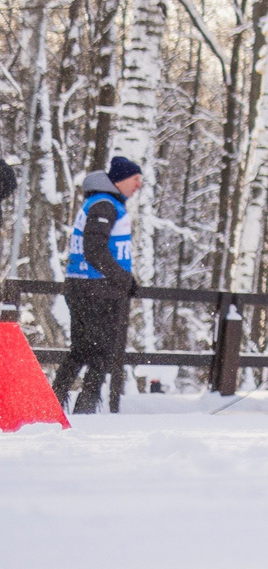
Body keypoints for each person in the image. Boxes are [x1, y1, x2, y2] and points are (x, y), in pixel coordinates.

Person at [52, 156, 142, 414]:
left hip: (85, 286)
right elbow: (94, 249)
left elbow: (99, 249)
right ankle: (85, 409)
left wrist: (125, 278)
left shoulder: (102, 202)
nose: (138, 185)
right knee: (101, 353)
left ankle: (54, 402)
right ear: (120, 180)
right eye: (135, 179)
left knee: (81, 351)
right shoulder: (105, 205)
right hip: (96, 289)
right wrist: (122, 278)